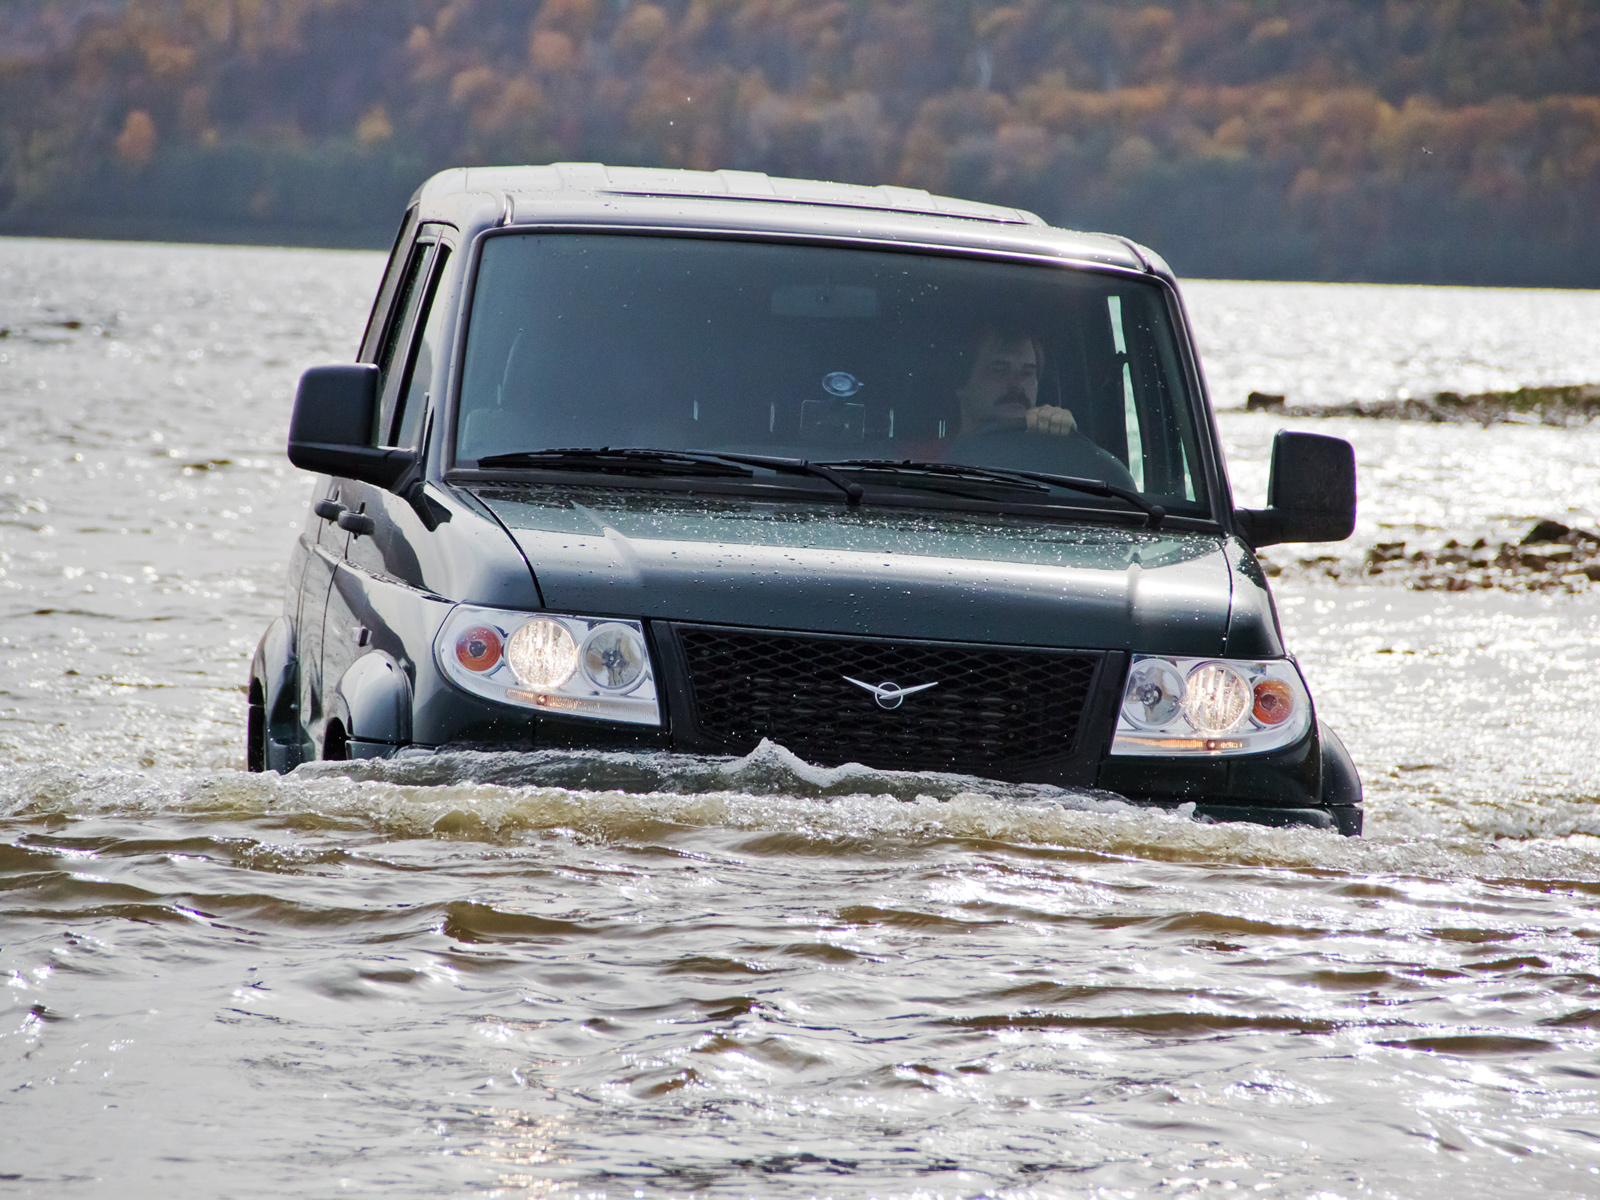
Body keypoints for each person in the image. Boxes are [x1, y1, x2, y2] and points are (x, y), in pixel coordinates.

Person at [943, 326, 1138, 489]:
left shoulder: (1057, 462)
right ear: (961, 383)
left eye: (1027, 373)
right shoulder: (921, 464)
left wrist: (1069, 445)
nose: (1016, 384)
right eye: (999, 370)